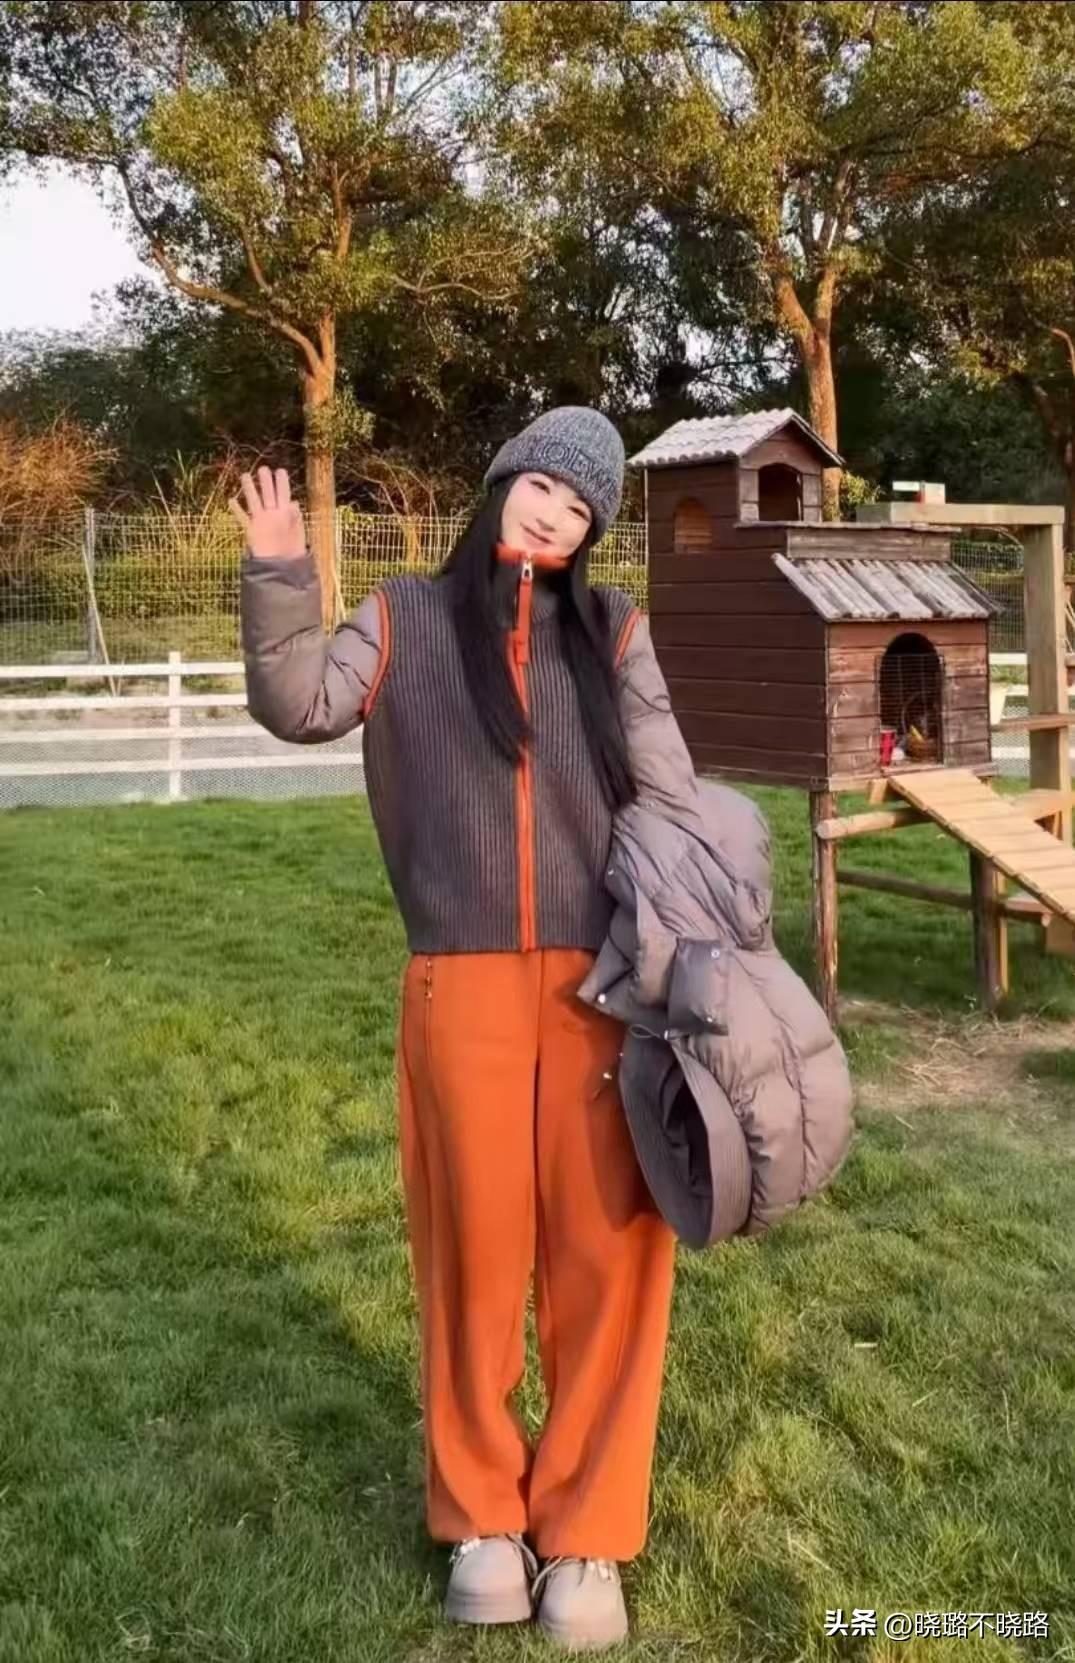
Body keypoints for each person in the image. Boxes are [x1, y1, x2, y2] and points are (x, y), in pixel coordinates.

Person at [234, 406, 702, 1651]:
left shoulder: (614, 631)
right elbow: (298, 702)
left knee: (609, 1262)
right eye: (544, 484)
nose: (555, 515)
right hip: (461, 989)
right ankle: (484, 1521)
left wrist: (689, 960)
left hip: (608, 994)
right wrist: (279, 573)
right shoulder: (403, 619)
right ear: (503, 479)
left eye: (581, 507)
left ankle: (587, 1534)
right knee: (473, 1262)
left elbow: (669, 795)